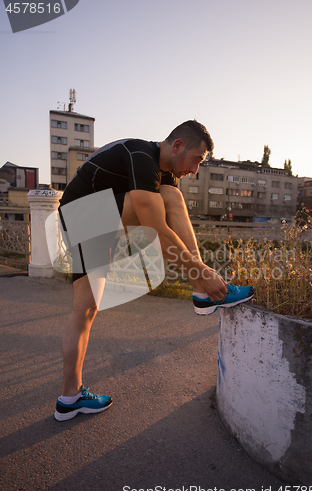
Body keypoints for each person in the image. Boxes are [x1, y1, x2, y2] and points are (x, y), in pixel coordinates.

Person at [54, 120, 254, 421]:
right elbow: (156, 230)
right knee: (166, 199)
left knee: (85, 311)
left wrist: (197, 269)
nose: (195, 170)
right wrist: (201, 271)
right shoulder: (141, 157)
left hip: (89, 223)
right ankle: (202, 287)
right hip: (81, 218)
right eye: (197, 159)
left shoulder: (162, 175)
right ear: (178, 146)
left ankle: (69, 398)